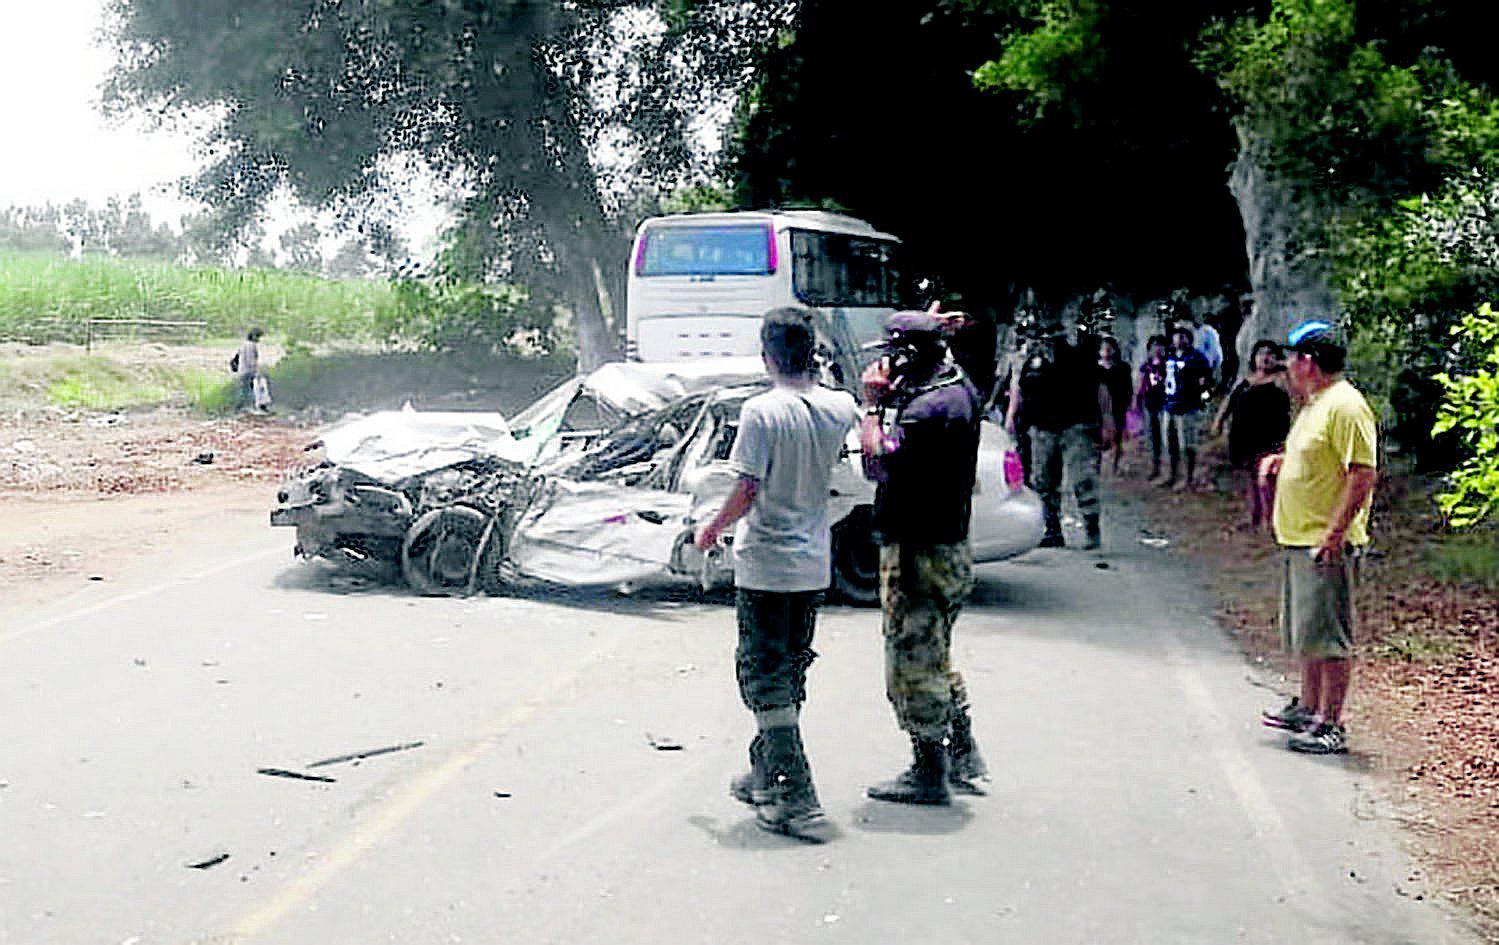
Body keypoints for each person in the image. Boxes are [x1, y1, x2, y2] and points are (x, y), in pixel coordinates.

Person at [694, 306, 861, 834]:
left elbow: (747, 488)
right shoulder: (841, 406)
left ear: (767, 355)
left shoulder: (762, 412)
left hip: (766, 563)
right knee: (788, 671)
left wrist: (711, 528)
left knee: (763, 677)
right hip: (813, 563)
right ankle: (764, 770)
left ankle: (797, 796)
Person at [859, 310, 988, 805]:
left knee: (911, 664)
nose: (888, 366)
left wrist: (873, 408)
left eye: (894, 355)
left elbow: (878, 462)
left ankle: (928, 769)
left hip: (920, 553)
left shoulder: (930, 410)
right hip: (946, 544)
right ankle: (962, 749)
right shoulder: (955, 389)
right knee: (936, 654)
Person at [1258, 320, 1378, 755]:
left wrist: (1335, 532)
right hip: (1298, 537)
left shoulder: (1346, 406)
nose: (1286, 366)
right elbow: (1316, 456)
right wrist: (1282, 461)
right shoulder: (1315, 404)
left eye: (1291, 358)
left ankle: (1331, 722)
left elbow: (1362, 472)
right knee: (1306, 630)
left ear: (1308, 362)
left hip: (1324, 541)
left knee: (1328, 635)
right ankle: (1308, 707)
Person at [1006, 324, 1115, 549]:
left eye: (1050, 340)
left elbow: (1101, 389)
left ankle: (1091, 527)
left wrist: (1107, 421)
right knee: (1042, 481)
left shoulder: (1079, 357)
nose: (1045, 344)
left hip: (1077, 425)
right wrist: (1012, 417)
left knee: (1083, 478)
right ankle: (1052, 529)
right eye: (1042, 339)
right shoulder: (1032, 362)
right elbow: (1019, 389)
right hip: (1042, 427)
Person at [1212, 340, 1291, 529]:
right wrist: (1219, 422)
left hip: (1270, 438)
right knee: (1251, 478)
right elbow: (1229, 402)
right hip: (1245, 437)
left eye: (1270, 354)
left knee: (1267, 481)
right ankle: (1254, 515)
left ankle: (1269, 520)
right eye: (1261, 354)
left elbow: (1293, 402)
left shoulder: (1281, 382)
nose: (1265, 358)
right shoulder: (1246, 381)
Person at [1160, 325, 1213, 490]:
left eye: (1183, 336)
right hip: (1169, 405)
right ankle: (1172, 475)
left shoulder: (1197, 358)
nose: (1179, 340)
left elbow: (1206, 381)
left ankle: (1188, 478)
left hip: (1187, 407)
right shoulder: (1168, 355)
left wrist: (1203, 399)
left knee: (1186, 445)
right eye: (1177, 336)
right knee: (1170, 443)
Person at [1135, 334, 1169, 480]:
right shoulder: (1146, 366)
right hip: (1149, 404)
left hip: (1165, 404)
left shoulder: (1169, 365)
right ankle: (1155, 468)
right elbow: (1141, 385)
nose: (1157, 349)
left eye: (1161, 345)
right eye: (1154, 346)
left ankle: (1168, 470)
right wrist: (1137, 400)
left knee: (1165, 437)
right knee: (1152, 437)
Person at [1097, 336, 1132, 476]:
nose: (1107, 351)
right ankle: (1098, 465)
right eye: (1104, 348)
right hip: (1099, 408)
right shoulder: (1095, 368)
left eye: (1110, 348)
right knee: (1098, 439)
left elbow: (1128, 388)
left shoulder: (1123, 367)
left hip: (1118, 406)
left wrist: (1127, 404)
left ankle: (1116, 465)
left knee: (1117, 437)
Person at [234, 328, 264, 411]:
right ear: (253, 336)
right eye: (258, 337)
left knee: (245, 390)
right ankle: (244, 407)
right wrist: (256, 372)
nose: (259, 339)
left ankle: (243, 407)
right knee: (248, 391)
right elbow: (251, 361)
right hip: (248, 371)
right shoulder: (251, 346)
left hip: (242, 370)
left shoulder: (243, 345)